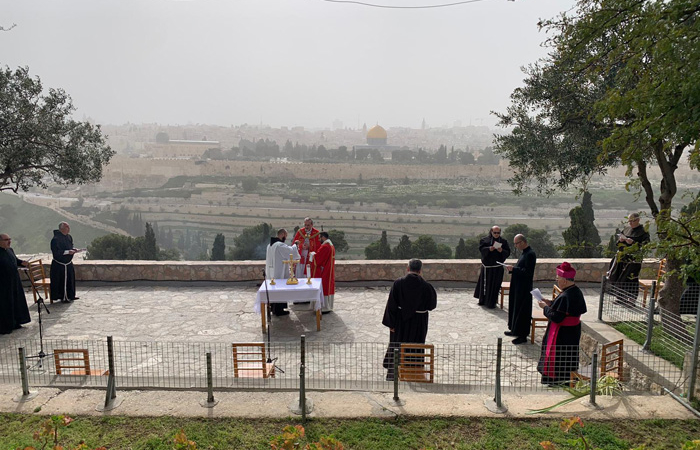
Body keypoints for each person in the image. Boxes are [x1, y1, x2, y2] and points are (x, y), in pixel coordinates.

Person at [382, 259, 437, 380]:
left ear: (408, 269)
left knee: (398, 345)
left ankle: (394, 374)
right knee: (415, 346)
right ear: (420, 270)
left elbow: (391, 304)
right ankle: (414, 374)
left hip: (400, 321)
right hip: (419, 322)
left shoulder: (398, 283)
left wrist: (391, 324)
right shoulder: (427, 286)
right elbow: (432, 305)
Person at [537, 262, 587, 386]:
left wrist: (544, 308)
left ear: (564, 280)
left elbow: (557, 317)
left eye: (558, 278)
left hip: (562, 334)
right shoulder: (574, 290)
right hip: (572, 331)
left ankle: (558, 381)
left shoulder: (566, 295)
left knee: (560, 357)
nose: (557, 280)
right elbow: (563, 308)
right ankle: (568, 378)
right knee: (569, 356)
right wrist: (550, 303)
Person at [607, 212, 650, 305]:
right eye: (629, 221)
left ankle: (631, 299)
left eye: (632, 221)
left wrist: (634, 242)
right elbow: (618, 243)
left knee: (631, 278)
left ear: (638, 220)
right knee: (620, 276)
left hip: (634, 259)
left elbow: (646, 246)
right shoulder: (627, 229)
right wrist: (621, 240)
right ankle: (620, 298)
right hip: (622, 258)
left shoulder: (643, 232)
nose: (630, 223)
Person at [505, 234, 536, 345]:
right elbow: (521, 268)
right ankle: (515, 330)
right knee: (515, 308)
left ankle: (522, 335)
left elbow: (527, 272)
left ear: (523, 242)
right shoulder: (524, 253)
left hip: (524, 288)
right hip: (518, 286)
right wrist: (513, 269)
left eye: (517, 243)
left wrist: (514, 269)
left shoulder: (530, 254)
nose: (516, 246)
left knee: (522, 311)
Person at [265, 228, 301, 316]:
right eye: (285, 236)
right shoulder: (279, 245)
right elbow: (291, 252)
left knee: (273, 290)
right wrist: (296, 245)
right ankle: (278, 310)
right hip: (278, 272)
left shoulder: (270, 245)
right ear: (282, 234)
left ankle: (273, 308)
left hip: (271, 271)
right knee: (279, 289)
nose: (285, 238)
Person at [0, 234, 31, 334]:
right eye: (6, 240)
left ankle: (16, 322)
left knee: (15, 302)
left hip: (14, 281)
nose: (9, 242)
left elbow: (15, 260)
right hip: (3, 284)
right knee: (6, 304)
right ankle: (6, 326)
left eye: (10, 239)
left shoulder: (10, 250)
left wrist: (22, 262)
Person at [474, 226, 511, 308]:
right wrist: (488, 249)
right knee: (485, 285)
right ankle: (483, 301)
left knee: (495, 286)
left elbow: (508, 252)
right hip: (487, 267)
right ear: (491, 232)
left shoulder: (504, 242)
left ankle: (491, 302)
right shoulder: (484, 240)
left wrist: (502, 251)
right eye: (495, 233)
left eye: (498, 233)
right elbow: (481, 249)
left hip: (497, 267)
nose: (496, 234)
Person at [50, 222, 80, 303]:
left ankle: (70, 295)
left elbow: (70, 246)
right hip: (59, 264)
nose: (68, 228)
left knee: (70, 280)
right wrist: (67, 252)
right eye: (67, 227)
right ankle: (62, 296)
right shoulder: (55, 239)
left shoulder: (69, 237)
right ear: (61, 228)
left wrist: (74, 250)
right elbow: (56, 252)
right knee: (61, 281)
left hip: (68, 263)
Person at [312, 231, 336, 313]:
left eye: (319, 237)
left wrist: (312, 255)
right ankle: (329, 305)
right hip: (329, 270)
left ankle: (325, 306)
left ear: (323, 237)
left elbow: (318, 260)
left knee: (324, 287)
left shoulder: (325, 247)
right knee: (328, 286)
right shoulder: (331, 246)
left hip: (325, 271)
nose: (319, 240)